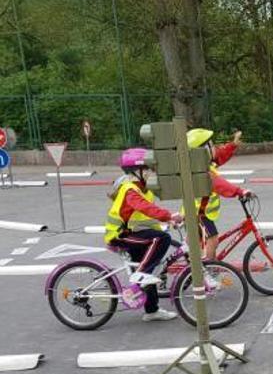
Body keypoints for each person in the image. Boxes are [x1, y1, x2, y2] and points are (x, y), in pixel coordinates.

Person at [104, 148, 183, 322]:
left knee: (149, 268)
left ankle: (152, 310)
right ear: (137, 171)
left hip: (134, 233)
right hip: (120, 235)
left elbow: (145, 217)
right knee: (160, 241)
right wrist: (168, 215)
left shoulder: (143, 190)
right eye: (148, 169)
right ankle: (141, 275)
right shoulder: (130, 189)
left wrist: (167, 222)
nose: (151, 172)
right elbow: (144, 208)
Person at [185, 128, 252, 260]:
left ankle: (196, 265)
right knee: (213, 239)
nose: (215, 147)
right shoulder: (200, 172)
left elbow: (220, 155)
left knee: (198, 243)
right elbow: (218, 183)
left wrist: (233, 145)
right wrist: (239, 191)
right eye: (211, 145)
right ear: (202, 151)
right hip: (198, 213)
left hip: (201, 212)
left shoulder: (205, 164)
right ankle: (209, 269)